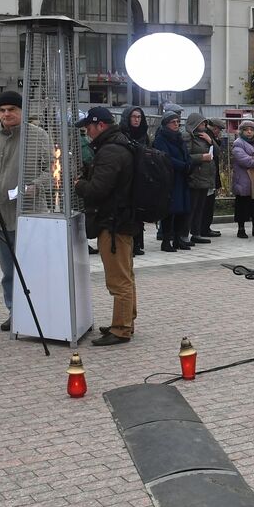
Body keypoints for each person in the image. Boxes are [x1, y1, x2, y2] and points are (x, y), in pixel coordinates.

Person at [0, 91, 53, 329]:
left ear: (22, 111)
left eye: (12, 110)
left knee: (32, 266)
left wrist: (35, 187)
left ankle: (38, 310)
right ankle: (14, 311)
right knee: (8, 270)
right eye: (3, 110)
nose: (6, 114)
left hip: (29, 212)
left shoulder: (38, 136)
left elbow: (52, 168)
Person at [74, 106, 138, 346]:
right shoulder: (120, 143)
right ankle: (125, 321)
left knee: (118, 279)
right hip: (122, 220)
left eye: (88, 127)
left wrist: (80, 184)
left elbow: (98, 190)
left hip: (113, 223)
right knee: (126, 275)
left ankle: (121, 329)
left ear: (100, 124)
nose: (87, 133)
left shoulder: (110, 150)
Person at [153, 110, 192, 251]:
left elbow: (185, 153)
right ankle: (166, 240)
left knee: (182, 209)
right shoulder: (160, 138)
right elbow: (165, 157)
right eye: (173, 122)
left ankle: (177, 239)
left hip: (182, 177)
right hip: (169, 178)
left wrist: (189, 163)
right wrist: (183, 165)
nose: (176, 124)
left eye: (178, 122)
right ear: (166, 124)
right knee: (170, 210)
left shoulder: (179, 137)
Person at [119, 106, 150, 255]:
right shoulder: (122, 135)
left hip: (141, 176)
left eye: (139, 117)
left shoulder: (144, 135)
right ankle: (128, 244)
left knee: (139, 212)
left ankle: (138, 243)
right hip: (126, 177)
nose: (137, 120)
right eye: (134, 117)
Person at [186, 113, 218, 245]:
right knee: (192, 207)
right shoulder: (188, 137)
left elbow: (217, 152)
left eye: (205, 123)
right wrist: (201, 157)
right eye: (202, 123)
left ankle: (196, 233)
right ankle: (184, 233)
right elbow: (186, 156)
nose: (204, 126)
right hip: (195, 176)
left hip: (206, 177)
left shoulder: (205, 137)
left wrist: (210, 141)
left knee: (200, 207)